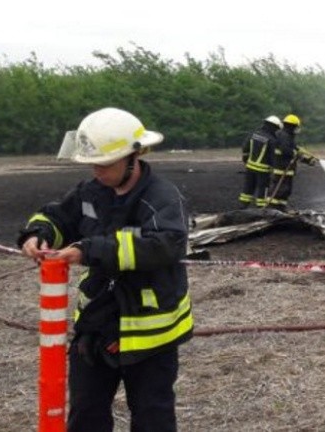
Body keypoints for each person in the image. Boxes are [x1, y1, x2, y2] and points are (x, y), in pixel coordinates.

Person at [17, 107, 194, 432]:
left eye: (104, 164)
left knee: (152, 418)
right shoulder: (91, 192)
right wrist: (37, 234)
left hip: (149, 335)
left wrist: (90, 249)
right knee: (85, 414)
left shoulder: (162, 198)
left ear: (134, 156)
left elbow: (164, 244)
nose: (97, 171)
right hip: (96, 326)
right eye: (92, 164)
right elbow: (58, 216)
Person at [268, 114, 319, 212]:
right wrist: (299, 154)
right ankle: (273, 209)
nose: (297, 129)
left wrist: (308, 160)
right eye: (296, 127)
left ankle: (281, 209)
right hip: (282, 169)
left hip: (285, 168)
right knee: (280, 190)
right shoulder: (284, 136)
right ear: (292, 126)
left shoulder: (286, 136)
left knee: (286, 191)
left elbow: (295, 150)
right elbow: (287, 151)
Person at [239, 116, 282, 208]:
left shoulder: (254, 134)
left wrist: (246, 159)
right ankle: (261, 211)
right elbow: (273, 157)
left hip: (250, 168)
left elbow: (245, 148)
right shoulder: (272, 140)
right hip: (263, 171)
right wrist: (275, 170)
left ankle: (242, 208)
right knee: (263, 191)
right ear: (274, 127)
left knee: (247, 189)